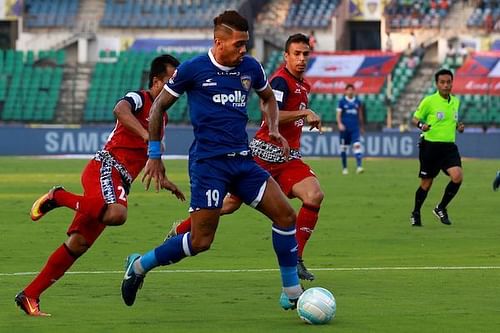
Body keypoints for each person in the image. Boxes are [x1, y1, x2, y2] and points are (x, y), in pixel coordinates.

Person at [120, 10, 304, 311]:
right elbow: (157, 109)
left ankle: (292, 292)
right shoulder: (194, 69)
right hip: (209, 165)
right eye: (238, 44)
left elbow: (268, 98)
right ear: (219, 42)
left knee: (286, 216)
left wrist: (272, 129)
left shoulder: (250, 68)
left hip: (242, 162)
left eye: (246, 44)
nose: (244, 50)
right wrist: (154, 155)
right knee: (200, 241)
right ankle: (139, 265)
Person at [15, 54, 185, 317]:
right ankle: (58, 197)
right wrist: (146, 135)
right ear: (156, 81)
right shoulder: (141, 98)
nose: (177, 85)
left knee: (78, 243)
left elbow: (145, 157)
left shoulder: (162, 118)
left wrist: (164, 180)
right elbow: (120, 110)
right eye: (172, 79)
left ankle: (30, 295)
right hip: (106, 166)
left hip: (120, 179)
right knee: (117, 213)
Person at [165, 33, 323, 281]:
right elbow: (271, 113)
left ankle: (297, 259)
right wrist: (304, 113)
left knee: (314, 195)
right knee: (226, 205)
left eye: (305, 54)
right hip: (263, 155)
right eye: (296, 54)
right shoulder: (280, 81)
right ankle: (181, 231)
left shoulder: (304, 85)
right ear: (286, 56)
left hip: (288, 157)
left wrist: (302, 115)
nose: (301, 59)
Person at [410, 68, 464, 227]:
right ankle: (416, 212)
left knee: (458, 177)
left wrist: (458, 127)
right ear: (437, 84)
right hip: (430, 147)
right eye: (442, 82)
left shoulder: (455, 101)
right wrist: (422, 125)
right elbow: (415, 118)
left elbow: (451, 122)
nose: (446, 85)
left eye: (448, 82)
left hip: (448, 147)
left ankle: (441, 207)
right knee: (426, 184)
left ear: (452, 83)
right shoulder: (429, 101)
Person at [337, 84, 365, 175]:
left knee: (357, 145)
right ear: (345, 91)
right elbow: (338, 115)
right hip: (345, 129)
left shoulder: (357, 102)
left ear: (354, 91)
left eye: (352, 90)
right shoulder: (342, 102)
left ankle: (359, 167)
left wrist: (361, 127)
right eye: (348, 90)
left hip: (355, 128)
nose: (350, 91)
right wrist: (340, 124)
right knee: (344, 148)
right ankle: (344, 168)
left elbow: (360, 115)